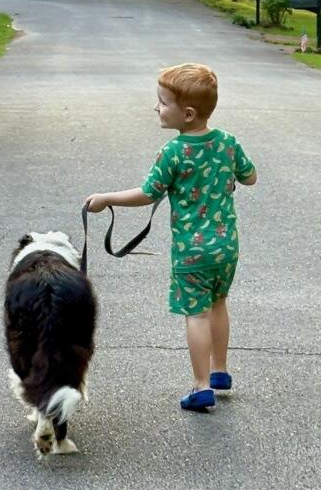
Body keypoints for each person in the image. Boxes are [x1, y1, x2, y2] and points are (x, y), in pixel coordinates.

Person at [85, 63, 256, 412]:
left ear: (187, 113)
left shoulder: (174, 153)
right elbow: (250, 177)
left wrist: (106, 198)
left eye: (162, 102)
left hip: (192, 251)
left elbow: (148, 194)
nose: (156, 108)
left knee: (197, 314)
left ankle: (200, 386)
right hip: (226, 247)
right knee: (219, 303)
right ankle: (219, 370)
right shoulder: (227, 143)